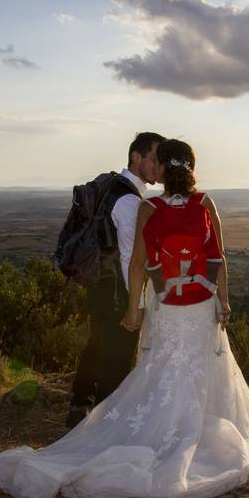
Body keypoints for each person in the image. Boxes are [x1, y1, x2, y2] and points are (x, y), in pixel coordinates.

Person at [0, 139, 249, 498]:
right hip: (201, 301)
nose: (155, 168)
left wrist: (133, 309)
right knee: (202, 366)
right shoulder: (205, 202)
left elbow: (137, 263)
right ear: (190, 169)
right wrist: (224, 300)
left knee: (161, 364)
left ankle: (154, 427)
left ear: (164, 169)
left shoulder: (148, 207)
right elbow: (218, 256)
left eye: (158, 163)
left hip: (166, 305)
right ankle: (194, 429)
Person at [65, 131, 165, 428]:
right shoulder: (130, 202)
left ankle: (79, 406)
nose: (158, 167)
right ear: (137, 157)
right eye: (154, 159)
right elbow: (130, 259)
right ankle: (107, 424)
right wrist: (135, 302)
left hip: (97, 283)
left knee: (97, 345)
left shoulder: (108, 186)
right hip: (117, 289)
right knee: (118, 358)